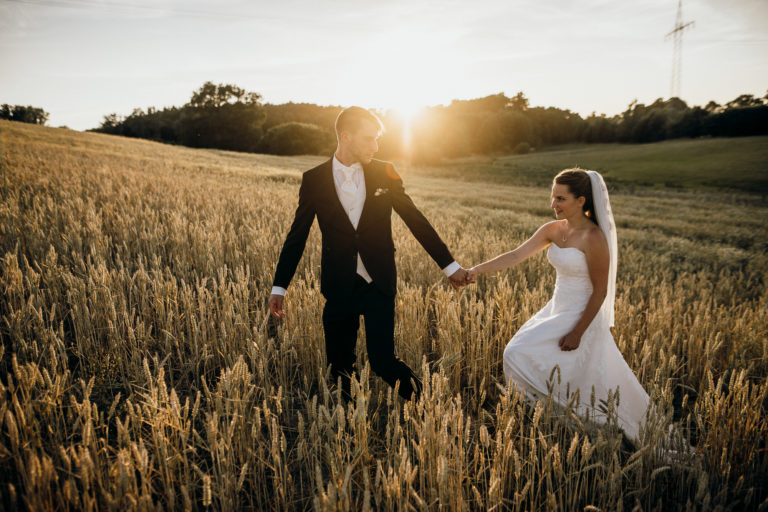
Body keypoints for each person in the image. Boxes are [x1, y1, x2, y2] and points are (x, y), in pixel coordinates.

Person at [269, 106, 471, 401]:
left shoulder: (384, 172)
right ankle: (348, 429)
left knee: (382, 362)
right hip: (338, 286)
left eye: (377, 140)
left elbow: (415, 220)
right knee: (339, 367)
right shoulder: (313, 180)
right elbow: (296, 236)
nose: (375, 146)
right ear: (346, 137)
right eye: (369, 139)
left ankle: (428, 407)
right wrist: (280, 286)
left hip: (378, 282)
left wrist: (450, 267)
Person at [467, 169, 650, 440]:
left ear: (581, 200)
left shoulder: (594, 237)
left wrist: (578, 332)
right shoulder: (552, 229)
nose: (553, 205)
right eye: (553, 197)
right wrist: (475, 271)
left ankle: (585, 428)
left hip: (582, 314)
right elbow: (516, 255)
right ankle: (551, 421)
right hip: (556, 308)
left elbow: (600, 291)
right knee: (517, 354)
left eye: (561, 199)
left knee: (559, 369)